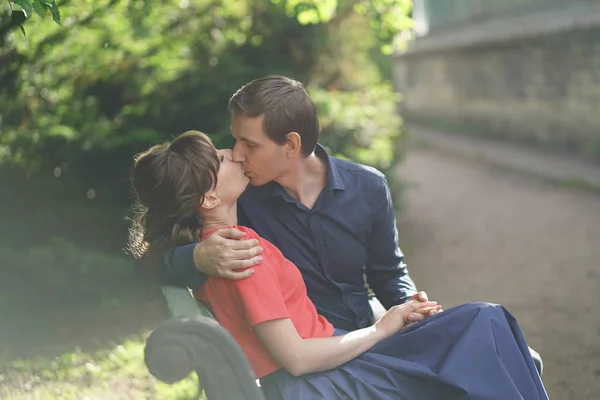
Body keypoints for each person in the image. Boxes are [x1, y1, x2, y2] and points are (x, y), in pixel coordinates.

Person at [153, 75, 543, 375]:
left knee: (501, 340)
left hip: (367, 336)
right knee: (493, 340)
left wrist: (412, 308)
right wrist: (197, 257)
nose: (236, 155)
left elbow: (389, 274)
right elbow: (155, 256)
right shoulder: (241, 201)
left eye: (249, 144)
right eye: (235, 140)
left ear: (290, 145)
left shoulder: (367, 186)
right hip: (331, 353)